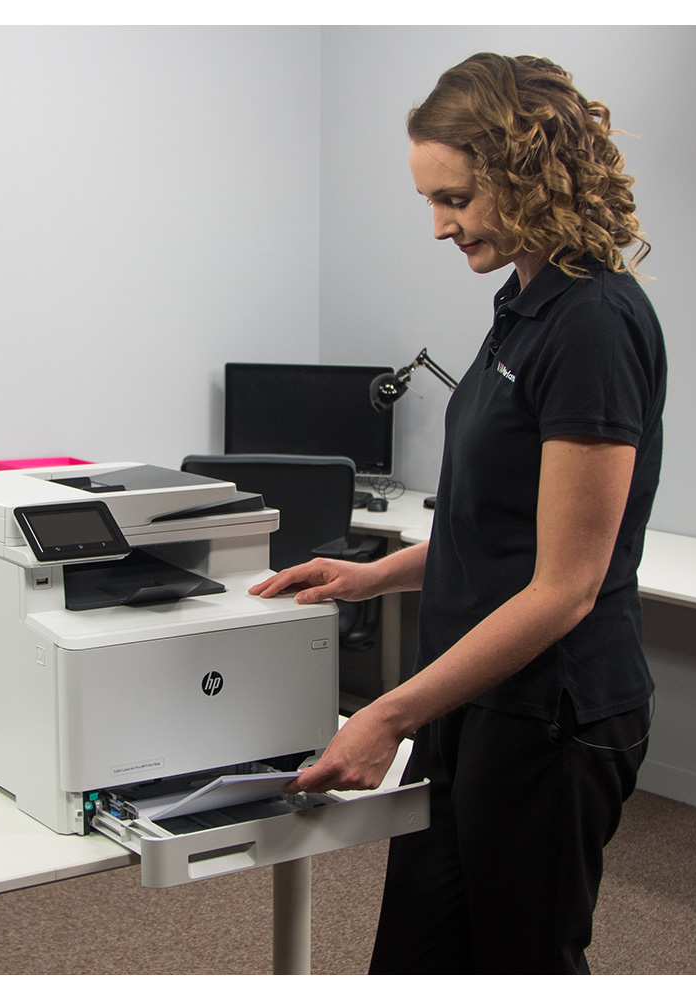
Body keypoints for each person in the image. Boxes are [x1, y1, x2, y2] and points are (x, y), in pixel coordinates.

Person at [249, 52, 666, 974]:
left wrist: (388, 713)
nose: (439, 226)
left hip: (549, 715)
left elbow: (564, 587)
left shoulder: (593, 325)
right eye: (430, 201)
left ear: (530, 175)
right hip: (473, 696)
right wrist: (376, 572)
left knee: (521, 964)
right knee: (419, 961)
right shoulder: (521, 304)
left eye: (457, 198)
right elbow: (497, 528)